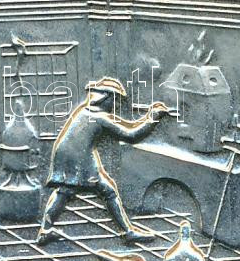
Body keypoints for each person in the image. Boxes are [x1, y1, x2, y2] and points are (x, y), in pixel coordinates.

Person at [37, 77, 172, 245]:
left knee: (64, 191)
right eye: (115, 99)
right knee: (108, 190)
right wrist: (153, 117)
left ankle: (45, 230)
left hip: (66, 154)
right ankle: (127, 232)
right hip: (80, 157)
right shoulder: (100, 117)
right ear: (105, 98)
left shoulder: (84, 111)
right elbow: (130, 134)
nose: (115, 104)